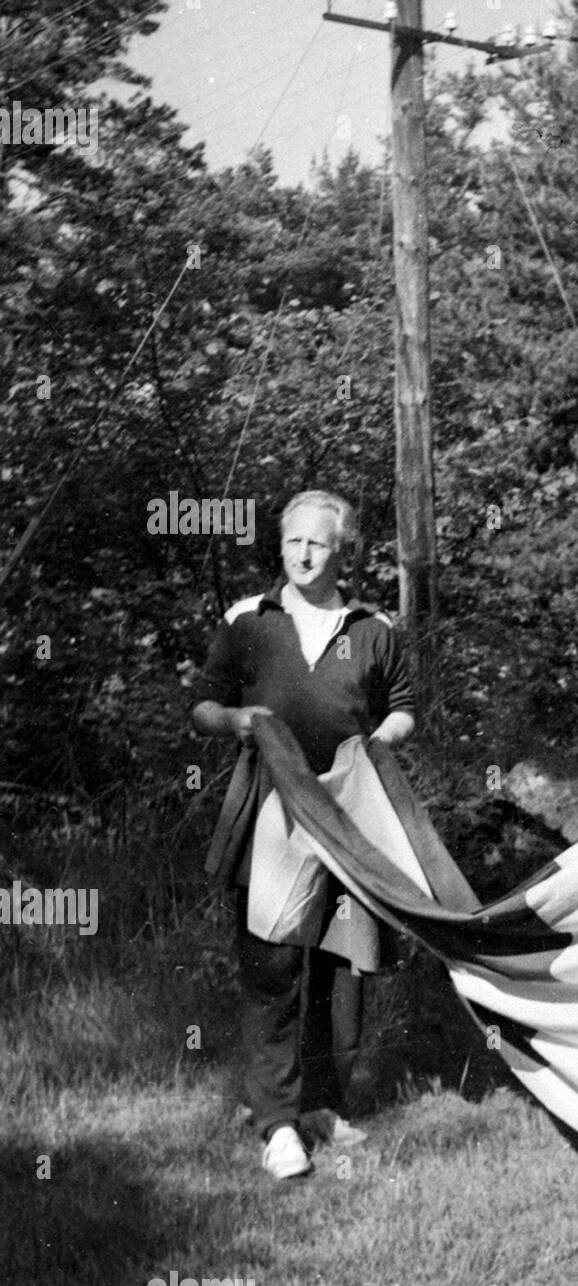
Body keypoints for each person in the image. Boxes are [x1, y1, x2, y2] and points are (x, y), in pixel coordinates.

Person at [191, 490, 415, 1179]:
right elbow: (202, 705)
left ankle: (321, 1103)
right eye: (293, 542)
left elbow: (403, 710)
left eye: (318, 543)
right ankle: (278, 1124)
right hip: (271, 810)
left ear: (343, 550)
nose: (304, 555)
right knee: (274, 962)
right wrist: (237, 721)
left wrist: (376, 744)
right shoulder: (249, 621)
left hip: (349, 815)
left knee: (341, 968)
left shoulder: (374, 629)